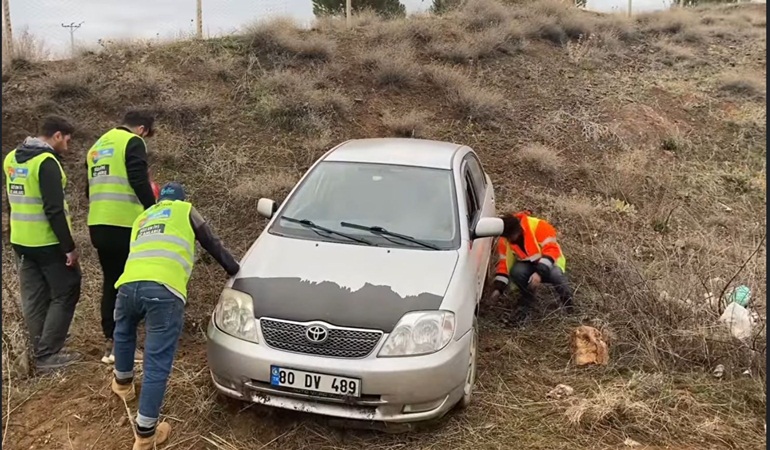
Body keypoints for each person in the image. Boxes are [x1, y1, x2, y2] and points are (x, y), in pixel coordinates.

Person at [109, 182, 240, 449]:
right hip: (164, 289)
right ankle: (145, 435)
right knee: (156, 361)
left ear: (159, 200)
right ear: (181, 199)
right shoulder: (185, 210)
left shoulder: (142, 216)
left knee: (123, 332)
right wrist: (233, 267)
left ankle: (122, 384)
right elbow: (210, 242)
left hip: (128, 284)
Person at [3, 115, 82, 371]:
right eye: (66, 140)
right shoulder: (46, 162)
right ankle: (47, 354)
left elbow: (10, 202)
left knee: (34, 297)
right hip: (46, 242)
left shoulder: (12, 158)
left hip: (21, 240)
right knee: (67, 289)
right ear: (57, 135)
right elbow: (54, 210)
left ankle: (38, 347)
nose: (67, 147)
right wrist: (68, 247)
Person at [85, 109, 158, 364]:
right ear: (141, 128)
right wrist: (155, 210)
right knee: (129, 285)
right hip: (124, 224)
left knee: (111, 281)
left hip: (98, 224)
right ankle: (124, 347)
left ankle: (111, 341)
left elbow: (88, 188)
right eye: (147, 134)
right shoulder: (132, 142)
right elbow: (138, 180)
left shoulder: (97, 145)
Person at [490, 210, 573, 326]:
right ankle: (527, 299)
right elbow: (504, 264)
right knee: (517, 272)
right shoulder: (504, 240)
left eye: (510, 237)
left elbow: (551, 250)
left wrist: (539, 273)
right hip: (528, 264)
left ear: (517, 230)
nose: (509, 240)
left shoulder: (539, 226)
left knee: (556, 276)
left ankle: (569, 305)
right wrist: (498, 288)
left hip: (550, 262)